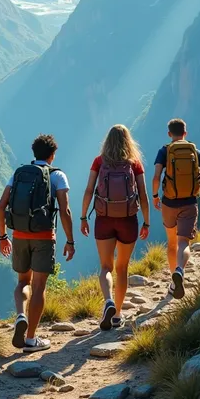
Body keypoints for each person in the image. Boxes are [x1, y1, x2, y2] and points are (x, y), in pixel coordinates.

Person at [0, 134, 75, 353]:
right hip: (44, 236)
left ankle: (20, 315)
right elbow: (65, 210)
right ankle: (31, 339)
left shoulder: (19, 173)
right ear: (52, 155)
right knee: (39, 286)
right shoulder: (58, 175)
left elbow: (1, 207)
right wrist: (70, 240)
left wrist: (3, 236)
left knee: (23, 282)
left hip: (19, 235)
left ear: (34, 153)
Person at [81, 124, 150, 330]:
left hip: (104, 219)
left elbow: (88, 190)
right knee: (122, 268)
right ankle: (118, 315)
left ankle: (108, 301)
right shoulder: (134, 163)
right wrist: (146, 221)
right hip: (128, 220)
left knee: (106, 267)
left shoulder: (99, 161)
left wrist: (83, 217)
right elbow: (143, 195)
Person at [152, 118, 200, 300]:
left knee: (172, 243)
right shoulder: (195, 151)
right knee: (184, 243)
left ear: (169, 134)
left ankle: (174, 280)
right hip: (189, 202)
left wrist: (155, 196)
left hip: (169, 203)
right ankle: (180, 270)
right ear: (185, 133)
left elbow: (156, 176)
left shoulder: (164, 151)